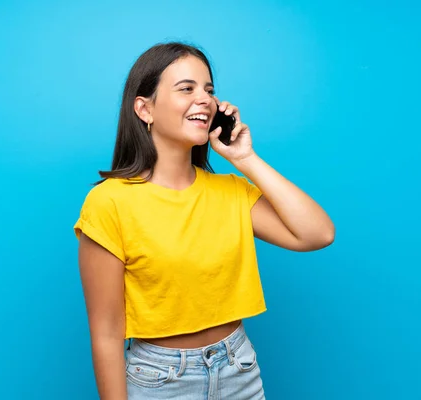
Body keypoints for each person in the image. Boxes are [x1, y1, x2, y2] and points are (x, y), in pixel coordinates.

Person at [73, 42, 335, 399]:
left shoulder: (232, 191)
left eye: (209, 90)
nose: (206, 100)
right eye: (187, 88)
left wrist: (245, 158)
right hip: (160, 380)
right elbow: (105, 333)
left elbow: (317, 234)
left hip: (239, 368)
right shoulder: (109, 202)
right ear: (144, 108)